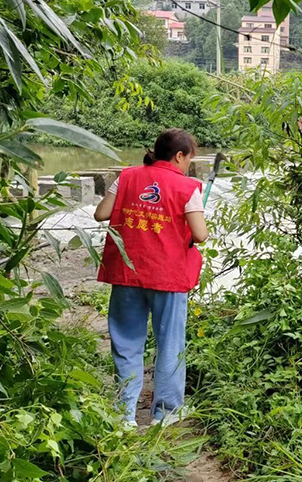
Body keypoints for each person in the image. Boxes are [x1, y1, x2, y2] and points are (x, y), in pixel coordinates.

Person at [93, 128, 208, 428]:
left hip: (127, 273)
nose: (188, 164)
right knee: (170, 343)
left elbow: (101, 214)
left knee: (126, 342)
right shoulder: (187, 187)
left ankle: (124, 415)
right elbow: (200, 234)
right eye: (188, 158)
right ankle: (165, 413)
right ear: (179, 155)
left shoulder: (127, 177)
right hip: (168, 277)